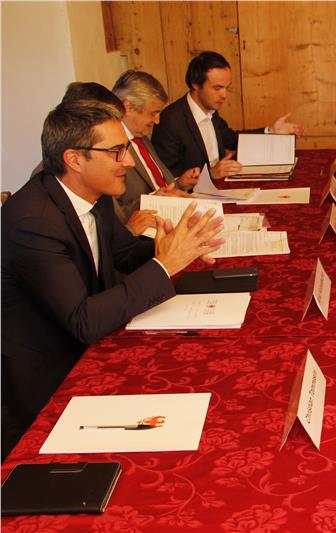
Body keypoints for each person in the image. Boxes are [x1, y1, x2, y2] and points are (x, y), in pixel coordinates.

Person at [1, 99, 225, 459]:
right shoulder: (34, 221)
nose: (129, 162)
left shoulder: (94, 193)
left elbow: (123, 254)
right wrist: (165, 264)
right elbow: (83, 320)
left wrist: (174, 246)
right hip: (47, 379)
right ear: (75, 159)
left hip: (90, 345)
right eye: (117, 152)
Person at [152, 51, 304, 180]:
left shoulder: (210, 109)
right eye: (217, 88)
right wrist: (210, 174)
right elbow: (166, 176)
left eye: (226, 88)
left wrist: (271, 131)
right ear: (195, 84)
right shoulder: (170, 121)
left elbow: (231, 139)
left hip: (221, 186)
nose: (224, 95)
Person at [112, 70, 197, 236]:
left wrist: (179, 184)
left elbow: (160, 187)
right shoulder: (110, 148)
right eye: (153, 113)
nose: (157, 120)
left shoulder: (142, 138)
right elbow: (114, 214)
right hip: (145, 236)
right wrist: (152, 202)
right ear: (127, 107)